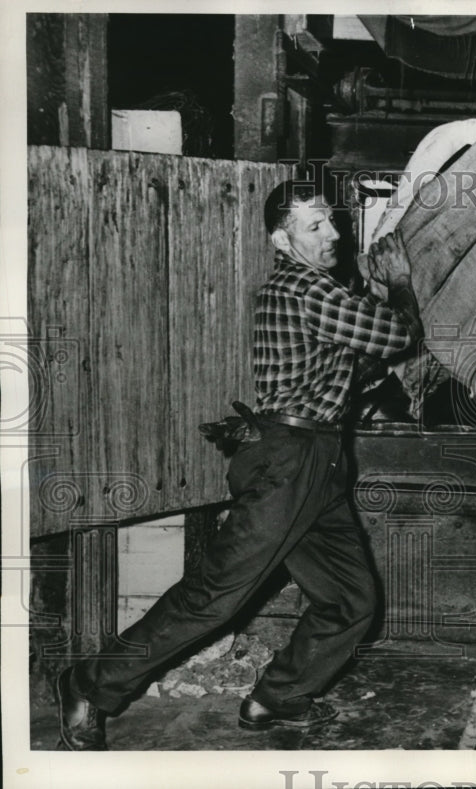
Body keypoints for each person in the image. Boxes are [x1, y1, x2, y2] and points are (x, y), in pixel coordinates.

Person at [56, 179, 424, 750]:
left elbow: (353, 365)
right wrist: (399, 282)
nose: (332, 233)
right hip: (289, 460)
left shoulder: (313, 289)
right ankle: (88, 684)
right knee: (214, 598)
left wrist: (370, 300)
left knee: (351, 600)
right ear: (282, 239)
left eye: (331, 220)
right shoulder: (307, 288)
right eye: (315, 225)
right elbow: (398, 335)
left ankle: (276, 698)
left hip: (315, 459)